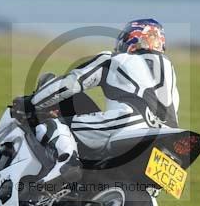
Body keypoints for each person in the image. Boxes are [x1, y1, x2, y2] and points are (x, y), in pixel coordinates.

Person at [14, 18, 180, 188]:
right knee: (148, 189)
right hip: (168, 136)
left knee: (54, 125)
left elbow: (69, 84)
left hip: (128, 124)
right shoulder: (170, 73)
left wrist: (31, 103)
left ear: (129, 40)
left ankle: (66, 165)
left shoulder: (114, 59)